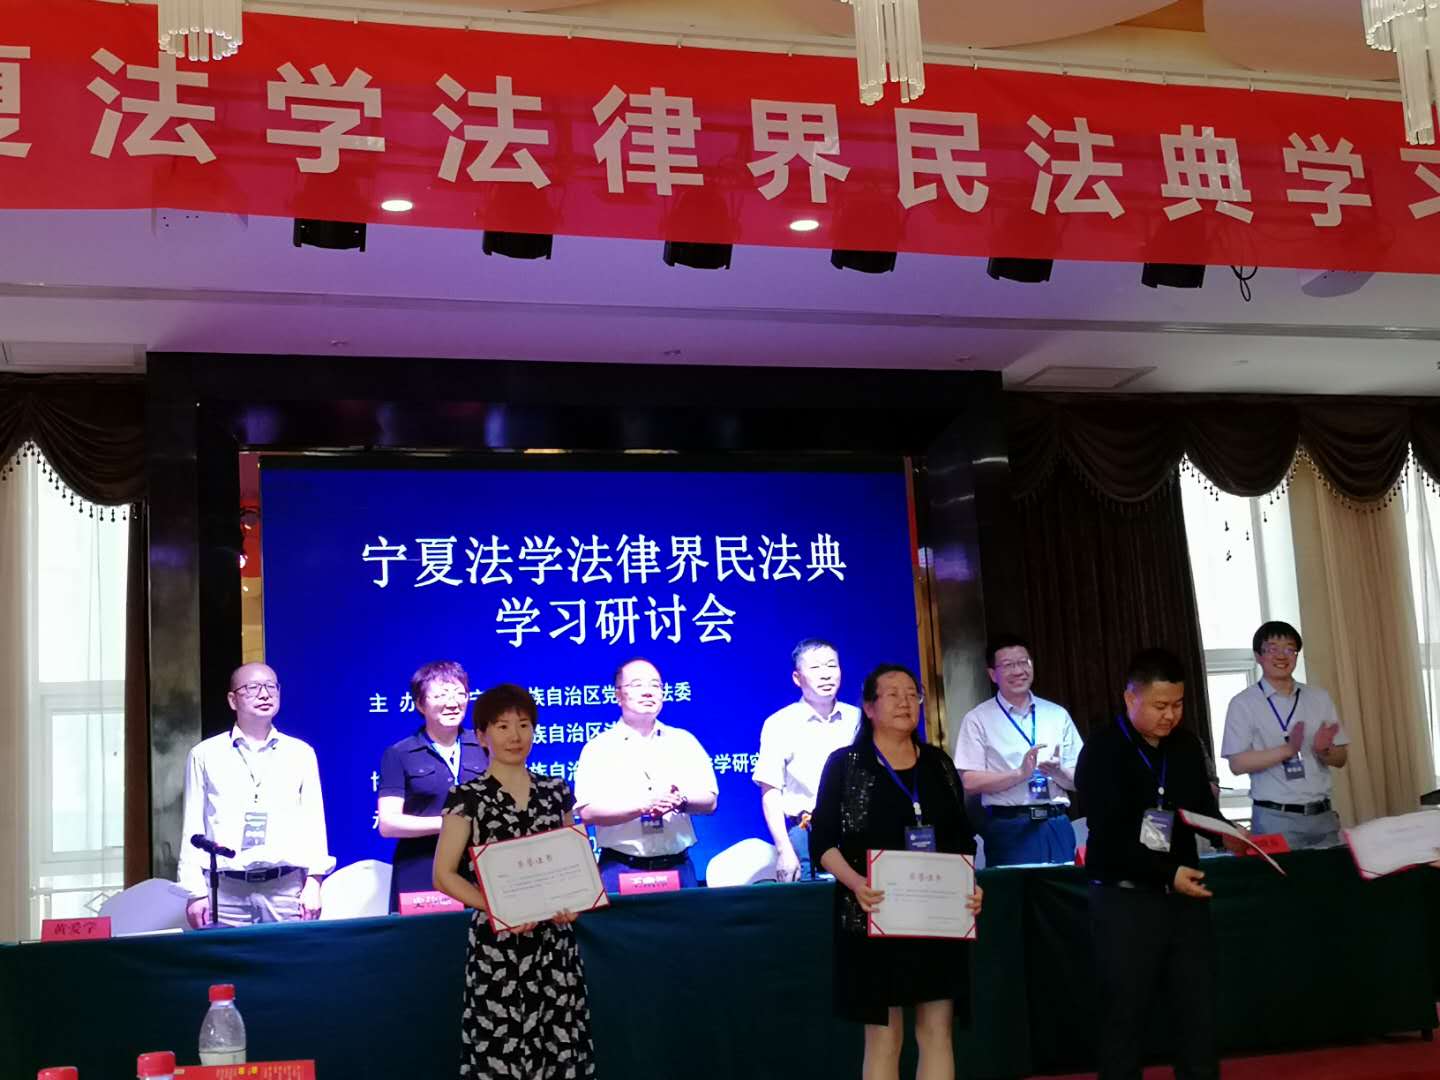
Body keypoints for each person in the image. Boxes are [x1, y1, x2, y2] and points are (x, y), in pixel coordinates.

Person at [1077, 648, 1247, 1080]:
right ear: (1129, 698)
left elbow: (1201, 808)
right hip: (1124, 901)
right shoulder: (1102, 750)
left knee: (1196, 1012)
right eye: (1159, 706)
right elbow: (1108, 833)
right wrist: (1167, 873)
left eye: (1178, 704)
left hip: (1184, 899)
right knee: (1124, 1016)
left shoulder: (1186, 746)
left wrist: (1228, 835)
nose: (1170, 715)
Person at [810, 664, 984, 1080]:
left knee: (937, 1032)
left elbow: (962, 840)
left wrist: (972, 886)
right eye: (893, 694)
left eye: (912, 694)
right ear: (869, 707)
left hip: (938, 917)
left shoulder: (938, 764)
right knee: (885, 1038)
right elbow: (823, 844)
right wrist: (857, 884)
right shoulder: (846, 765)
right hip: (875, 915)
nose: (906, 702)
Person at [433, 684, 596, 1080]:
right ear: (481, 736)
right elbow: (443, 875)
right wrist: (497, 907)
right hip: (498, 944)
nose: (515, 736)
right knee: (500, 1046)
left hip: (553, 945)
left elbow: (573, 862)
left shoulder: (555, 791)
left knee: (560, 1043)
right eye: (502, 726)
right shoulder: (466, 797)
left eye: (524, 725)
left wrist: (574, 902)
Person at [178, 662, 334, 927]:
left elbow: (314, 823)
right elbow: (192, 827)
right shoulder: (205, 754)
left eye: (271, 687)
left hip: (286, 889)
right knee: (225, 955)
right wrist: (195, 891)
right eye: (253, 687)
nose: (264, 694)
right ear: (232, 700)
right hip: (225, 892)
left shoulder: (300, 753)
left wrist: (314, 882)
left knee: (289, 954)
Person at [573, 658, 718, 891]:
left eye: (655, 685)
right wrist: (643, 806)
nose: (648, 691)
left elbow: (710, 801)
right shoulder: (599, 748)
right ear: (618, 695)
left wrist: (680, 801)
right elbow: (587, 812)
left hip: (678, 868)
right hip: (621, 868)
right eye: (637, 684)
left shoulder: (684, 742)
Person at [951, 634, 1083, 866]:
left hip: (1056, 823)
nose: (1018, 670)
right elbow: (970, 782)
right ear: (993, 674)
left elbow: (1081, 780)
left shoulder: (1057, 714)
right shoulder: (978, 718)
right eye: (1008, 665)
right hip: (1009, 827)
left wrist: (1057, 772)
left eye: (1024, 662)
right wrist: (1019, 774)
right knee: (1013, 889)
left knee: (1062, 888)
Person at [1221, 621, 1348, 850]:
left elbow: (1341, 759)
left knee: (1331, 873)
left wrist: (1324, 750)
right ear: (1258, 656)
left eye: (1289, 649)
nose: (1281, 655)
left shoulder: (1318, 698)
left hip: (1323, 816)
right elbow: (1237, 764)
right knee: (1281, 875)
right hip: (1274, 819)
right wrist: (1287, 751)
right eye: (1272, 649)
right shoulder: (1243, 703)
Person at [377, 660, 488, 911]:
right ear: (420, 704)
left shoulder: (485, 745)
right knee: (429, 935)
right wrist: (450, 824)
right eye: (441, 695)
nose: (453, 703)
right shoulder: (400, 753)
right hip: (422, 868)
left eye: (460, 694)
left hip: (481, 868)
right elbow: (388, 823)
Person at [754, 638, 862, 881]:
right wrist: (784, 850)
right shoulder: (780, 724)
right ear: (797, 677)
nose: (826, 674)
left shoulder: (858, 719)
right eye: (815, 668)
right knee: (813, 901)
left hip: (857, 832)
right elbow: (770, 791)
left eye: (831, 666)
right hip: (806, 833)